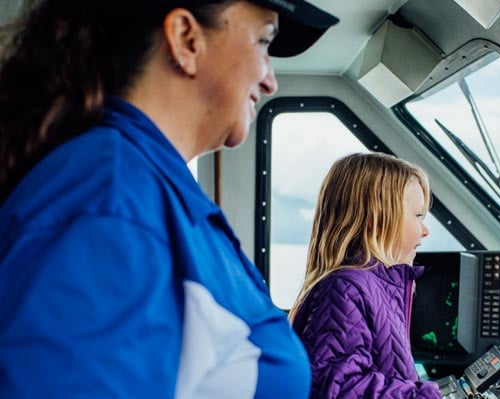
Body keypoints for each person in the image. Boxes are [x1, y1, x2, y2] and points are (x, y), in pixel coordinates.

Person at [0, 0, 337, 397]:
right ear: (185, 40)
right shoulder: (108, 201)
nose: (270, 82)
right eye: (263, 42)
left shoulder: (150, 191)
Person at [289, 152, 443, 399]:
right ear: (377, 221)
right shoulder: (345, 289)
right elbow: (337, 388)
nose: (424, 231)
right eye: (417, 216)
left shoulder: (377, 286)